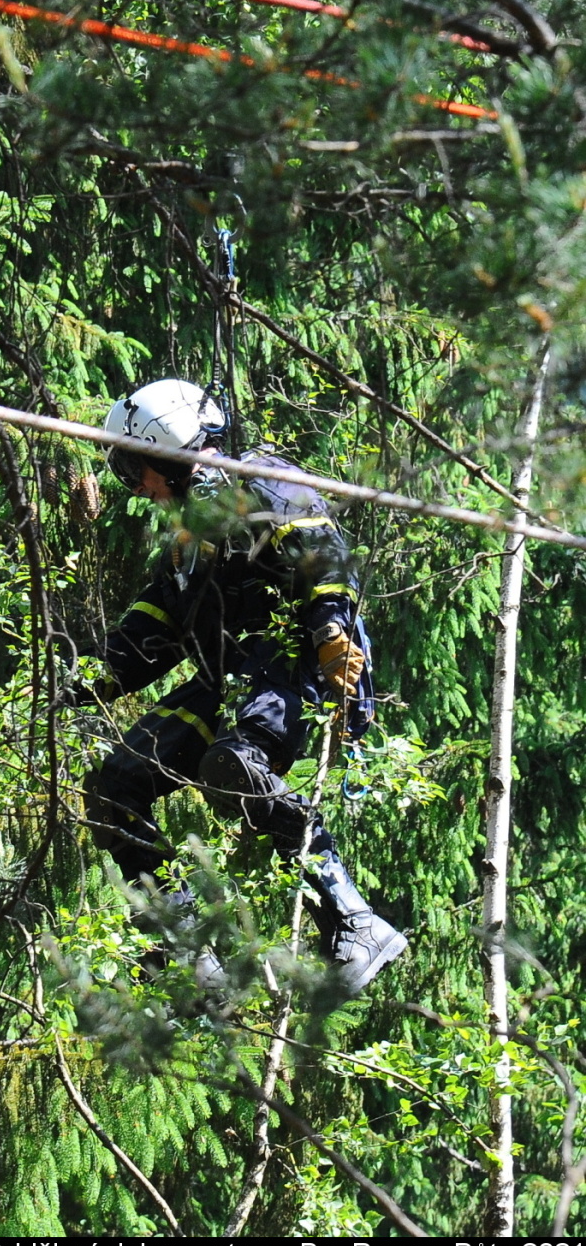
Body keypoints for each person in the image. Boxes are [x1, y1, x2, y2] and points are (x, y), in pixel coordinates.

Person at [82, 378, 408, 997]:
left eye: (137, 469)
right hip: (226, 679)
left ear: (174, 453)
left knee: (233, 765)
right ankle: (185, 949)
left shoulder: (259, 477)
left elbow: (321, 551)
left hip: (296, 663)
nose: (138, 488)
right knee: (115, 785)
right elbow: (152, 633)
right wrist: (70, 679)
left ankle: (354, 920)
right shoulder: (187, 542)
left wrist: (331, 629)